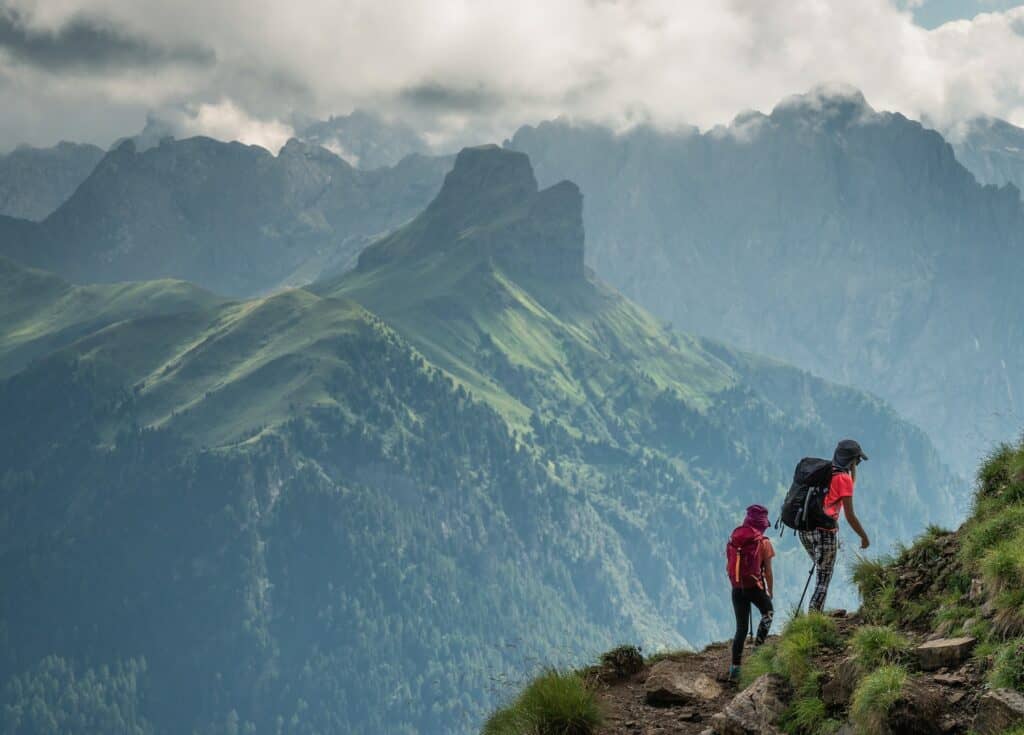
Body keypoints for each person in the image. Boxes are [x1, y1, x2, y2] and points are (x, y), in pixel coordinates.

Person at [798, 438, 871, 613]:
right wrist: (864, 537)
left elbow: (845, 487)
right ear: (852, 460)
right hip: (825, 531)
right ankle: (814, 617)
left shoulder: (824, 471)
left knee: (821, 569)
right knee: (824, 576)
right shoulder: (843, 479)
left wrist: (851, 470)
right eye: (857, 460)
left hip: (805, 529)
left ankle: (816, 613)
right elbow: (850, 516)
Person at [725, 504, 775, 682]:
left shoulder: (734, 540)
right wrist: (769, 591)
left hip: (737, 587)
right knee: (768, 613)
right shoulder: (764, 543)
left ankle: (735, 669)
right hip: (754, 587)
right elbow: (768, 572)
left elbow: (728, 566)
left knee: (741, 628)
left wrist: (738, 583)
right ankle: (758, 649)